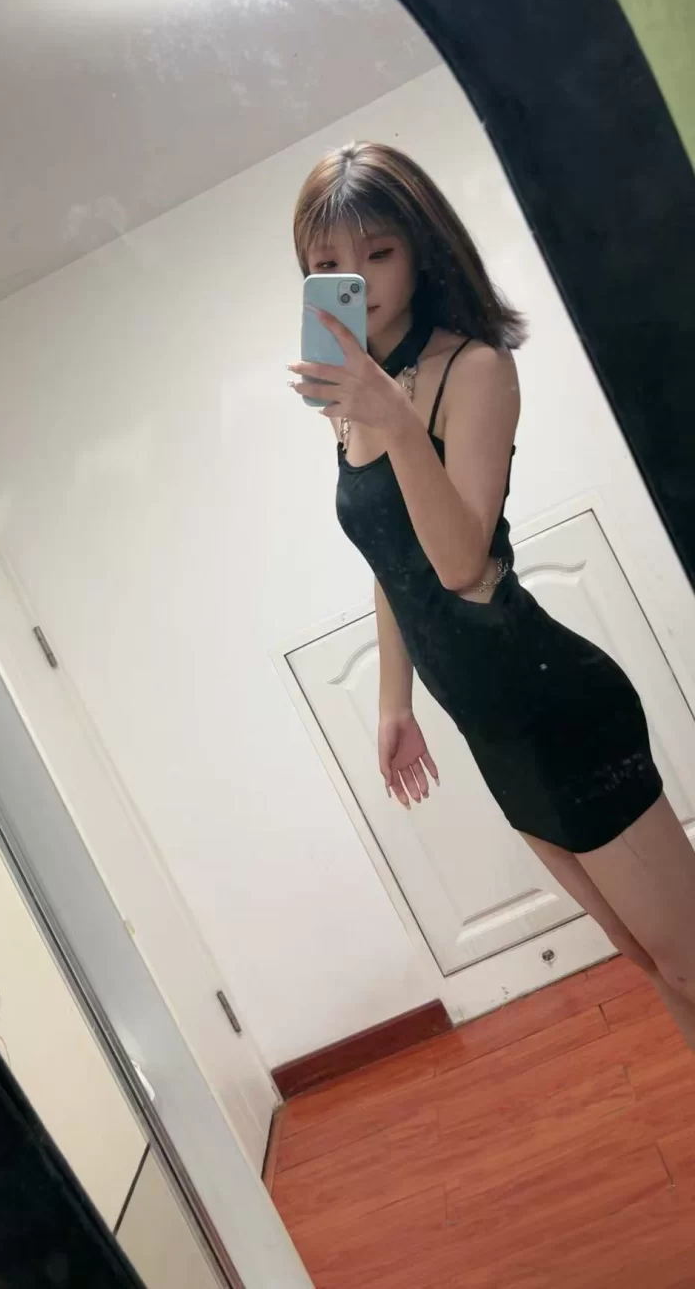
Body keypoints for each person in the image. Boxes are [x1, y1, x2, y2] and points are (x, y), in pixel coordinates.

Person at [288, 140, 695, 1047]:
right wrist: (393, 705)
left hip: (555, 705)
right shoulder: (352, 404)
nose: (357, 278)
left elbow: (457, 563)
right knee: (647, 957)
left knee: (688, 957)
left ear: (421, 249)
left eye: (378, 251)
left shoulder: (473, 368)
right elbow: (391, 560)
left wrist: (396, 422)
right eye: (328, 264)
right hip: (492, 729)